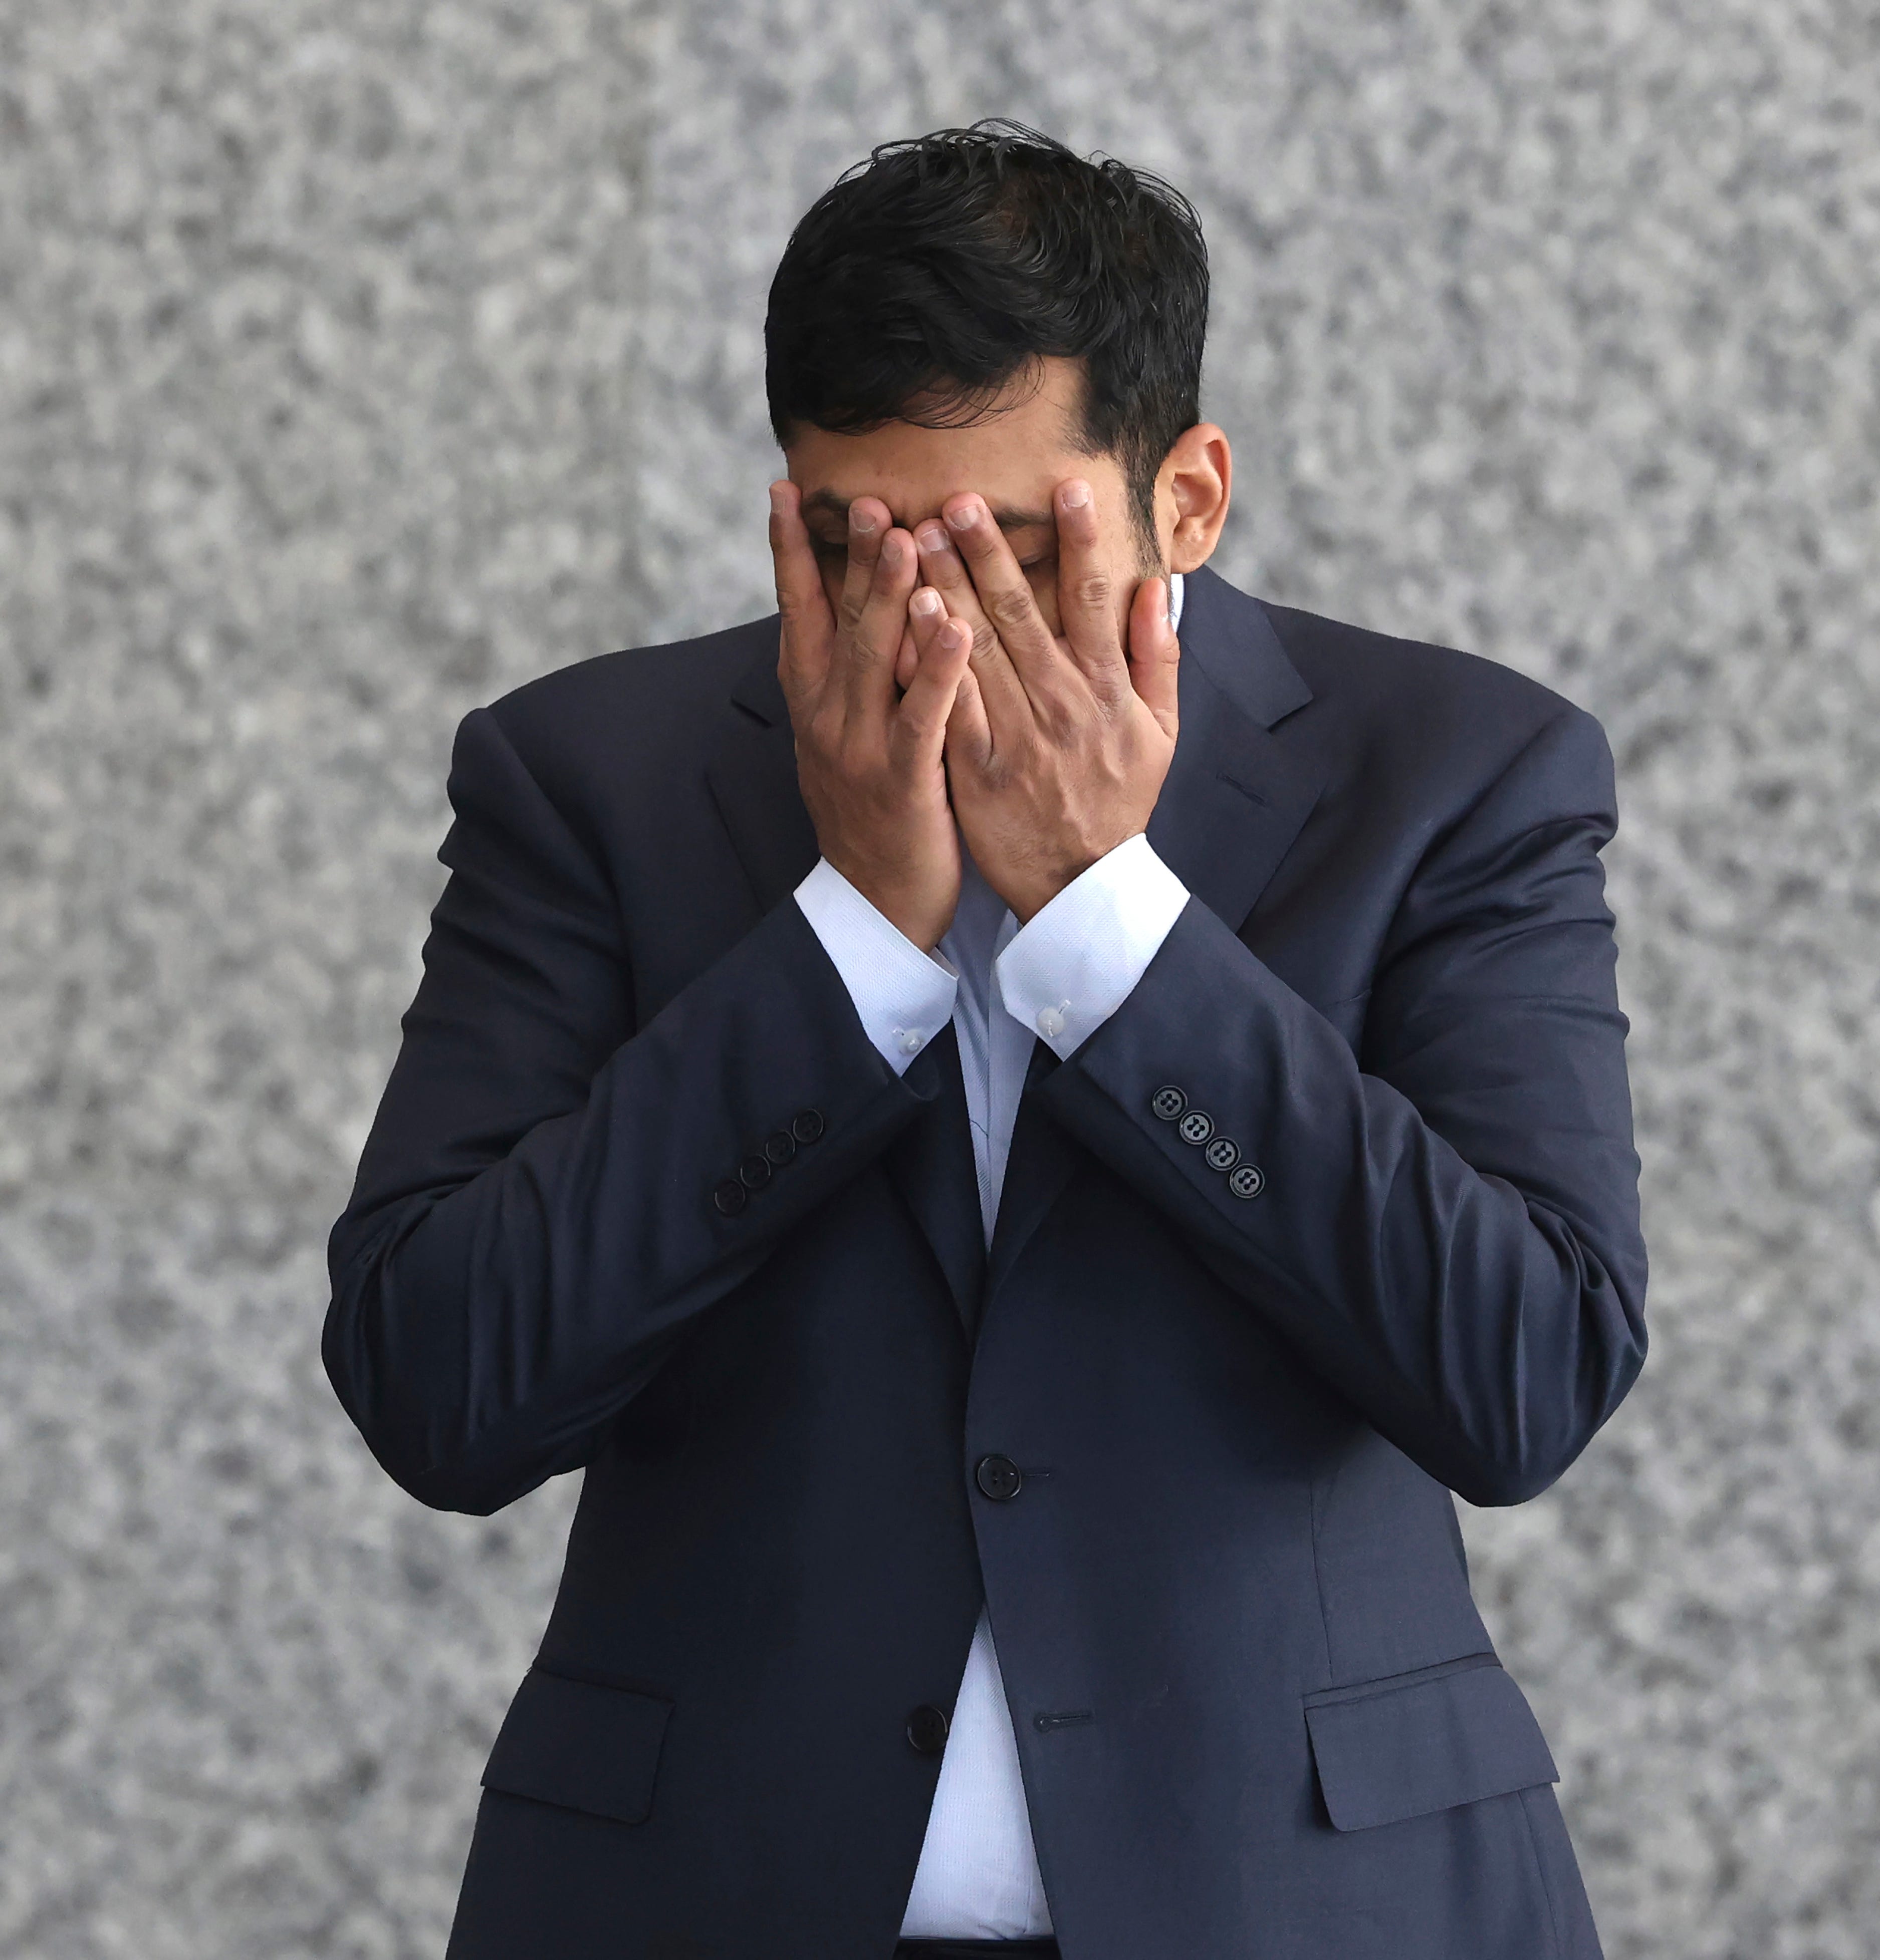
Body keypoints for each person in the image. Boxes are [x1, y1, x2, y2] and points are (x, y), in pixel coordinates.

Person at [324, 120, 1646, 1960]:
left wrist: (1117, 924)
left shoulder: (1453, 776)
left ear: (1187, 495)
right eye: (863, 545)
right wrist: (848, 937)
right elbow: (439, 1384)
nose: (944, 621)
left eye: (1019, 544)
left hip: (1312, 1905)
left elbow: (1524, 1370)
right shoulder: (589, 781)